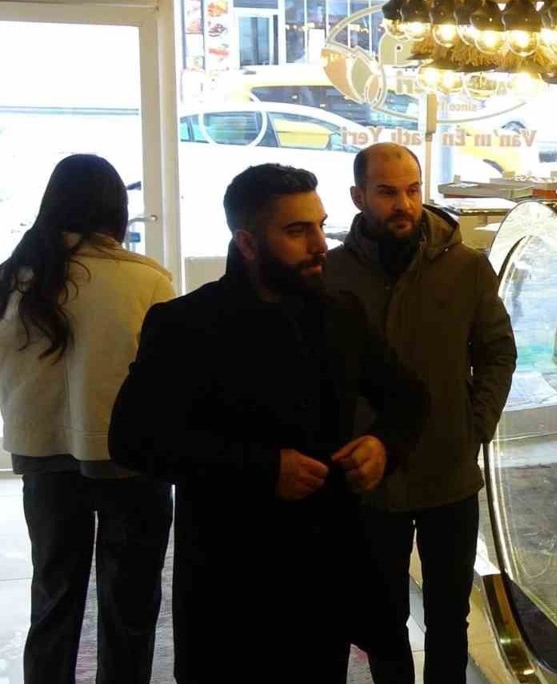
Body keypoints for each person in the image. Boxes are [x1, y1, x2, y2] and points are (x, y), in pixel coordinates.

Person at [108, 163, 425, 683]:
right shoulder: (186, 324)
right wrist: (259, 468)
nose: (320, 244)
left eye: (321, 226)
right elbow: (133, 439)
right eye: (298, 231)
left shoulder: (338, 315)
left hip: (321, 573)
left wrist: (384, 445)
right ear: (248, 242)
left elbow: (408, 397)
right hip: (227, 580)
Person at [324, 142, 517, 684]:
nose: (403, 204)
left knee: (449, 619)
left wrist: (475, 425)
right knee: (382, 619)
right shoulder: (334, 273)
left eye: (412, 190)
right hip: (369, 479)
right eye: (387, 193)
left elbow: (498, 350)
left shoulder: (465, 268)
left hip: (448, 473)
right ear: (359, 196)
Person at [0, 154, 174, 684]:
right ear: (116, 209)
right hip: (129, 459)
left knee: (54, 593)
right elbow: (169, 376)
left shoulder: (15, 277)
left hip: (43, 461)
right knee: (131, 601)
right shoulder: (144, 280)